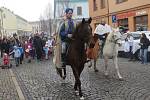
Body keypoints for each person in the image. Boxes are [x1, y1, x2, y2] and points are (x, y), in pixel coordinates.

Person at [58, 8, 76, 79]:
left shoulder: (74, 22)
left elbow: (76, 30)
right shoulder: (63, 22)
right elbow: (60, 32)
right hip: (66, 40)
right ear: (66, 14)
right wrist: (67, 34)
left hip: (73, 40)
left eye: (71, 13)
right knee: (63, 47)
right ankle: (63, 61)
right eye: (69, 13)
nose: (70, 14)